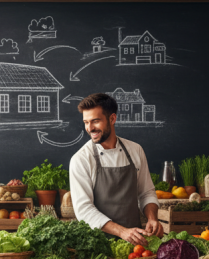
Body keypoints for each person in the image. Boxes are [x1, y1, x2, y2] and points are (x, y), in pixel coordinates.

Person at [69, 92, 161, 244]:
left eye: (95, 121)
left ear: (112, 119)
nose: (89, 128)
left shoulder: (135, 150)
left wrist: (152, 218)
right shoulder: (81, 159)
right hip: (98, 246)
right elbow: (84, 210)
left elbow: (146, 192)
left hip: (135, 244)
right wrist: (122, 232)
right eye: (86, 122)